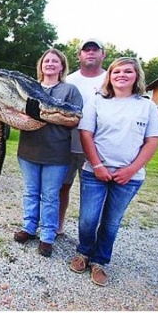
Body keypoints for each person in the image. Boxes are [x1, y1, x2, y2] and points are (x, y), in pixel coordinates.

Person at [69, 57, 158, 286]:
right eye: (116, 71)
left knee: (111, 222)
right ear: (109, 76)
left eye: (128, 71)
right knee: (88, 219)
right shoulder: (97, 101)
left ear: (136, 76)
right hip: (95, 171)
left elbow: (152, 141)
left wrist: (131, 170)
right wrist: (98, 165)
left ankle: (99, 261)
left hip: (129, 177)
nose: (121, 75)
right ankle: (83, 252)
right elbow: (86, 135)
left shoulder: (146, 105)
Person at [14, 49, 83, 257]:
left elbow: (74, 118)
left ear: (62, 66)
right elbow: (18, 113)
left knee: (51, 196)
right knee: (30, 191)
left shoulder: (70, 90)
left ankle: (47, 237)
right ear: (41, 65)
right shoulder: (30, 88)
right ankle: (28, 227)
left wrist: (40, 116)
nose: (50, 64)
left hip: (56, 153)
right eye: (47, 60)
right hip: (28, 150)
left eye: (55, 61)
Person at [58, 39, 107, 236]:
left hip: (96, 149)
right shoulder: (68, 81)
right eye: (86, 50)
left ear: (103, 55)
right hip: (66, 145)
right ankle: (57, 227)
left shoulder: (109, 81)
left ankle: (88, 236)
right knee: (62, 187)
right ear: (79, 55)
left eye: (95, 50)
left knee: (92, 195)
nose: (91, 53)